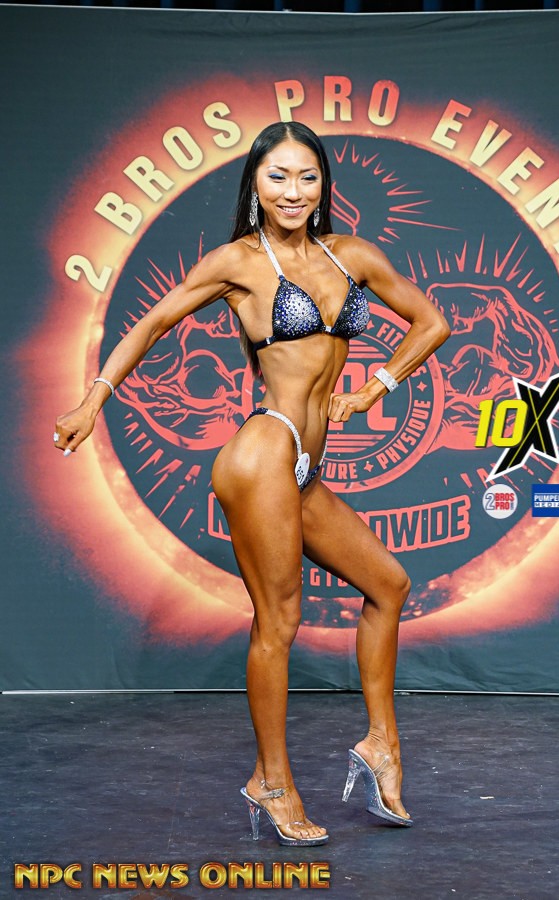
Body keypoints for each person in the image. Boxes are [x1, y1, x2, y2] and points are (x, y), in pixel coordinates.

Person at [54, 121, 450, 847]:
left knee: (389, 585)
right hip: (264, 450)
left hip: (305, 469)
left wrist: (376, 388)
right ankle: (271, 781)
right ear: (256, 186)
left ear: (323, 184)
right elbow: (153, 322)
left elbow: (432, 323)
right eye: (277, 177)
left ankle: (381, 745)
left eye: (306, 177)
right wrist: (93, 400)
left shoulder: (353, 255)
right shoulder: (239, 262)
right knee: (279, 623)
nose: (293, 191)